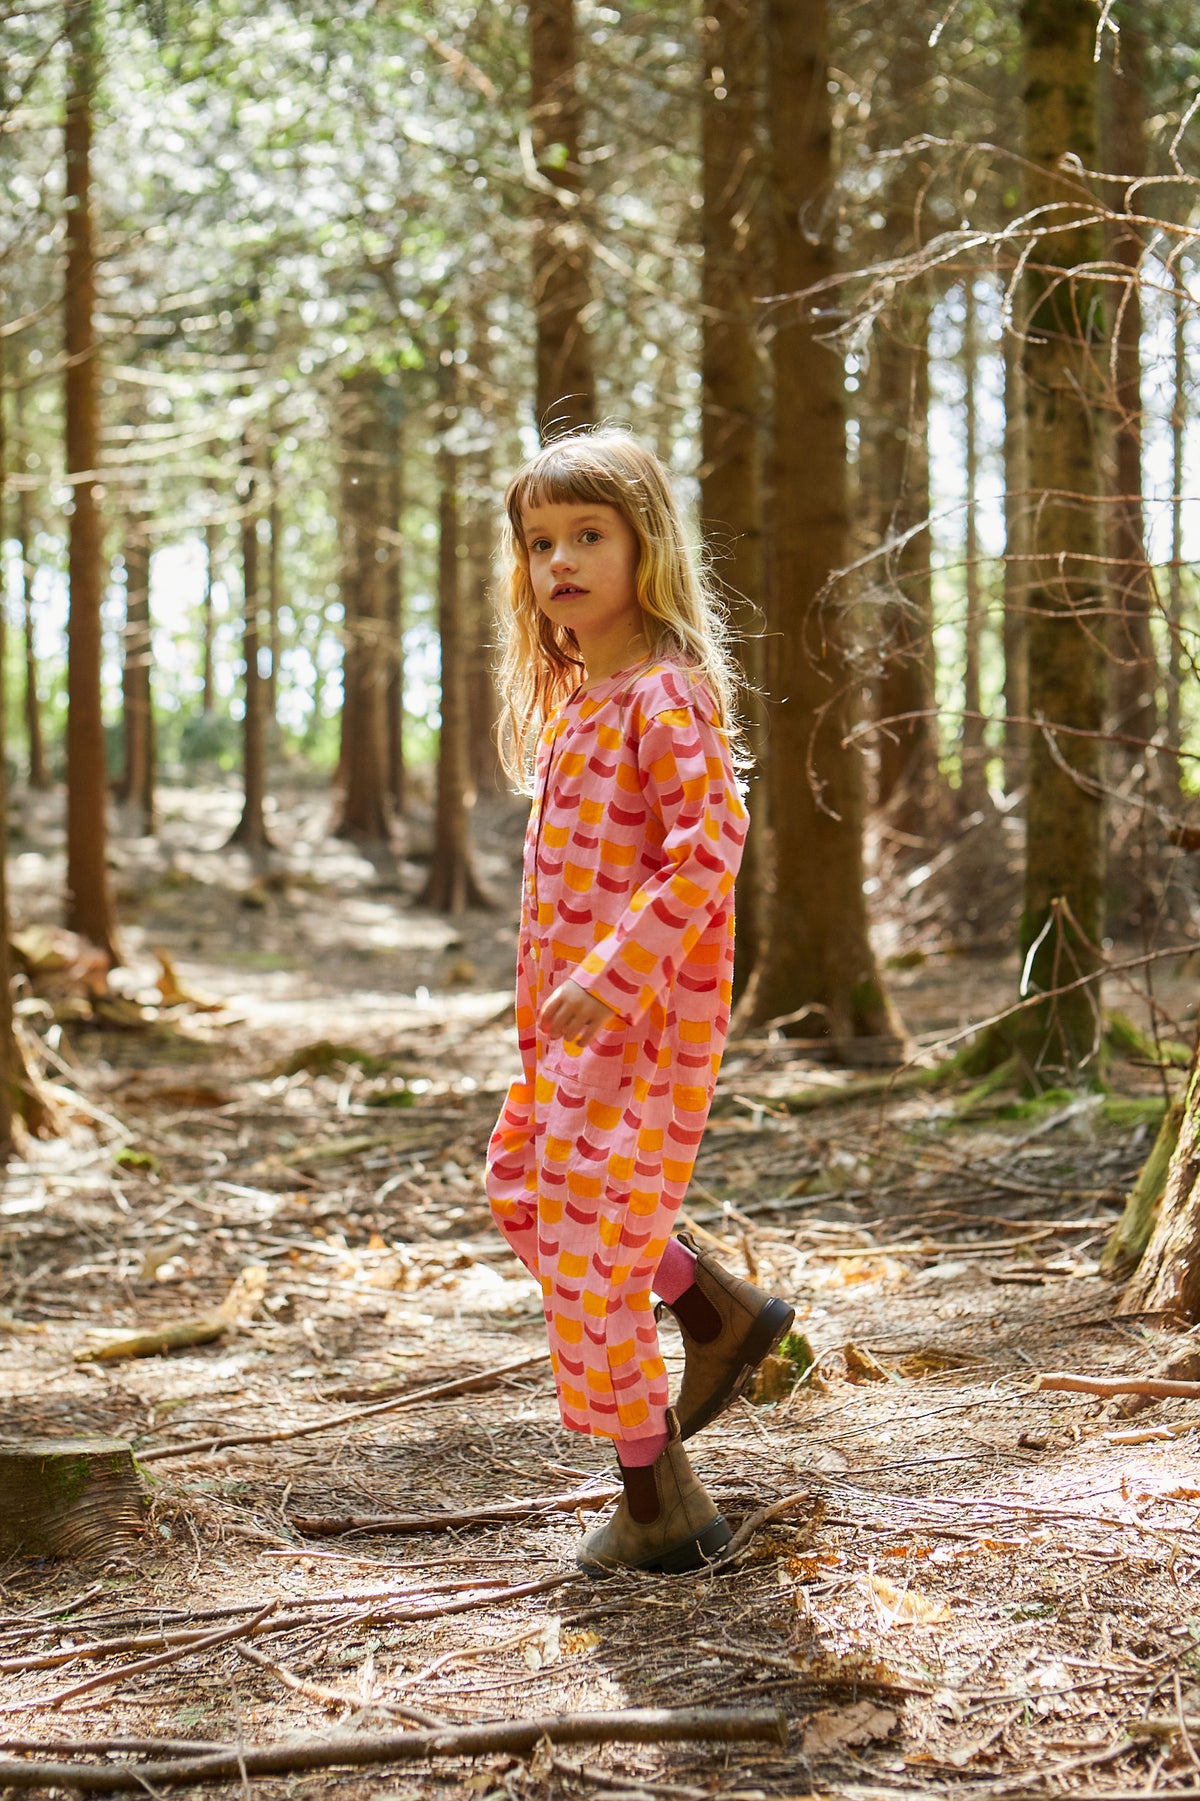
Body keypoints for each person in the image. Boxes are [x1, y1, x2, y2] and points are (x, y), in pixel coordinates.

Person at [486, 428, 794, 1575]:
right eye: (540, 543)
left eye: (588, 535)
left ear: (645, 546)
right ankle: (711, 1308)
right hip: (566, 1030)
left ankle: (657, 1497)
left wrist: (612, 974)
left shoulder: (663, 695)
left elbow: (711, 844)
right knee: (522, 1187)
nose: (559, 561)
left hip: (640, 1022)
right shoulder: (584, 699)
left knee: (589, 1245)